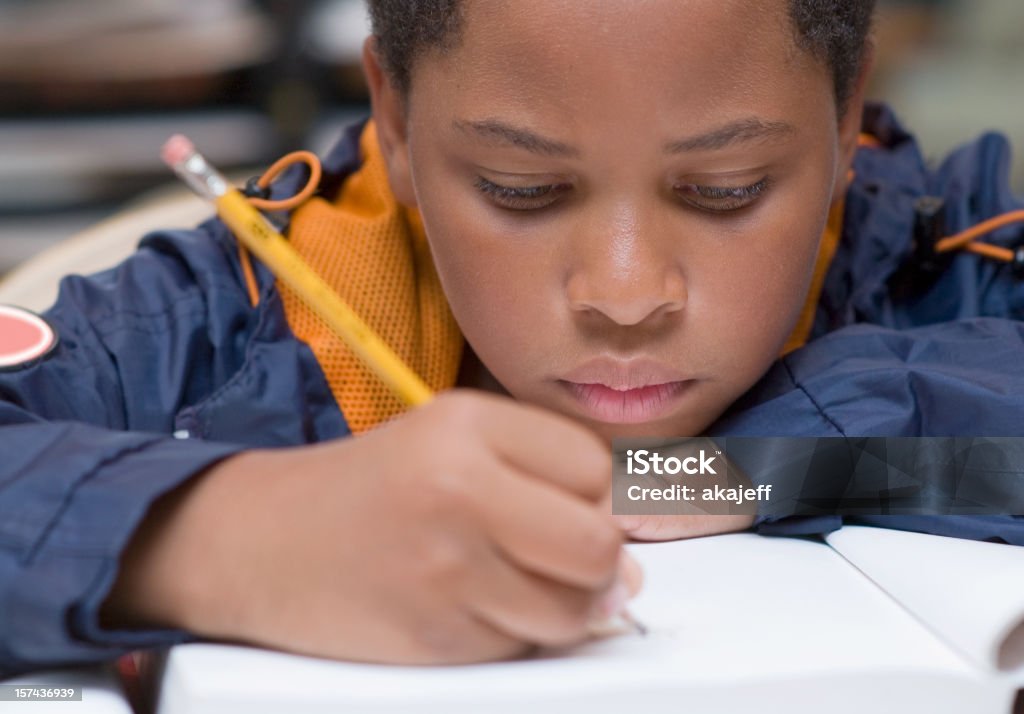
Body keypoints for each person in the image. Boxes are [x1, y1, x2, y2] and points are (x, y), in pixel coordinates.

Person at [1, 0, 1022, 676]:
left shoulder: (946, 255)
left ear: (846, 119)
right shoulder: (229, 316)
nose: (624, 294)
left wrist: (799, 455)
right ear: (393, 121)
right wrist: (230, 537)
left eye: (726, 190)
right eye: (519, 190)